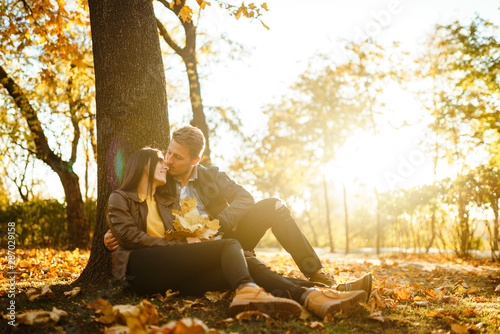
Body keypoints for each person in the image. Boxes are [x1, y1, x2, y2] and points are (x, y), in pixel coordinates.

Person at [107, 147, 368, 319]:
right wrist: (124, 236)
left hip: (174, 270)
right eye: (162, 161)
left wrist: (199, 235)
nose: (167, 165)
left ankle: (314, 294)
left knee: (244, 263)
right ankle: (247, 291)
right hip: (140, 269)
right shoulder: (122, 198)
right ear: (143, 165)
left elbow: (178, 228)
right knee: (229, 246)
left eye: (172, 160)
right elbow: (130, 236)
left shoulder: (165, 200)